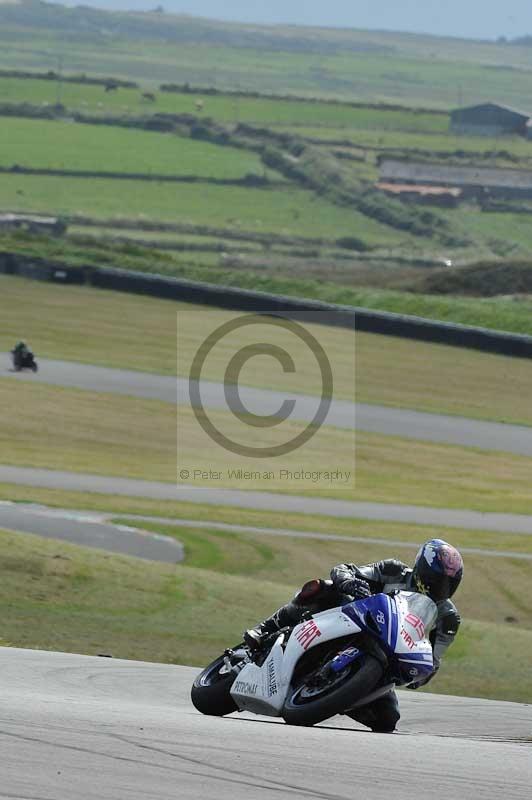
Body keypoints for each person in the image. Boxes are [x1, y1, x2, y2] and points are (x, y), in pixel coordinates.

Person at [244, 538, 463, 733]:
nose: (441, 587)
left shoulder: (448, 617)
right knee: (323, 587)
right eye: (437, 579)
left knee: (387, 719)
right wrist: (350, 582)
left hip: (386, 659)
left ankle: (336, 695)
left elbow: (433, 659)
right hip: (349, 621)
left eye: (449, 583)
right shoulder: (394, 570)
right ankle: (266, 629)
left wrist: (420, 673)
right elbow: (343, 569)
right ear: (422, 570)